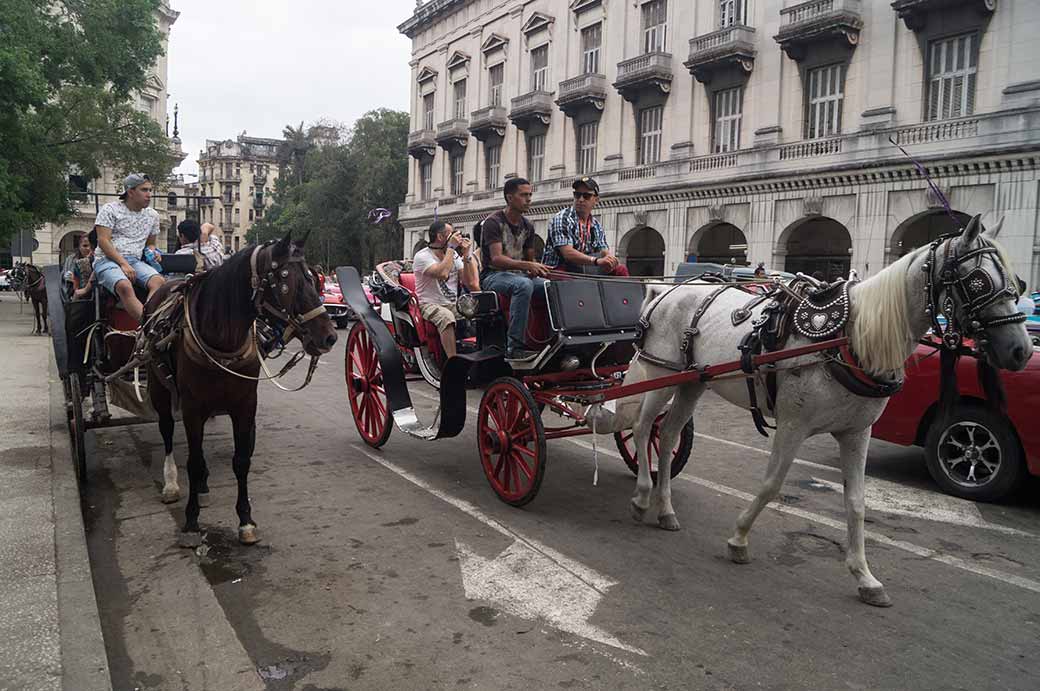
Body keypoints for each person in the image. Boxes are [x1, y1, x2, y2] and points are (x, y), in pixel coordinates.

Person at [479, 177, 549, 360]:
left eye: (530, 195)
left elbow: (529, 259)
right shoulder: (493, 222)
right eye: (524, 195)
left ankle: (551, 339)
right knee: (523, 285)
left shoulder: (528, 225)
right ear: (510, 198)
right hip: (493, 275)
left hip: (519, 275)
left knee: (551, 286)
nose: (529, 199)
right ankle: (514, 347)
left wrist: (536, 268)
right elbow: (496, 258)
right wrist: (528, 266)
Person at [93, 173, 164, 323]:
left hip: (135, 261)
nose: (149, 195)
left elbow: (151, 243)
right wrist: (123, 264)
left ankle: (150, 320)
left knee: (159, 281)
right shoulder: (109, 209)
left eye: (150, 190)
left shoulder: (153, 215)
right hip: (106, 260)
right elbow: (103, 241)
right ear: (130, 192)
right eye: (144, 190)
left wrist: (153, 251)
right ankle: (147, 326)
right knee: (125, 286)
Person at [412, 221, 480, 359]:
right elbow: (442, 274)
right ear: (440, 237)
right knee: (446, 317)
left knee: (482, 313)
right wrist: (451, 248)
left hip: (453, 304)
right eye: (452, 234)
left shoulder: (453, 255)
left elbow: (467, 281)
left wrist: (467, 256)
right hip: (429, 304)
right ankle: (452, 362)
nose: (456, 237)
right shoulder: (422, 256)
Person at [543, 177, 628, 276]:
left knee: (621, 269)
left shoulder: (595, 225)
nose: (581, 199)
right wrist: (596, 261)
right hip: (559, 269)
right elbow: (567, 254)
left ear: (596, 200)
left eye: (586, 196)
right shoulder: (563, 218)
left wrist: (609, 260)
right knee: (566, 278)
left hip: (585, 269)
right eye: (577, 195)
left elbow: (603, 250)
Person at [71, 231, 97, 300]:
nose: (88, 248)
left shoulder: (100, 260)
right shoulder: (73, 262)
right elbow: (76, 288)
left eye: (91, 246)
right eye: (85, 246)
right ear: (79, 247)